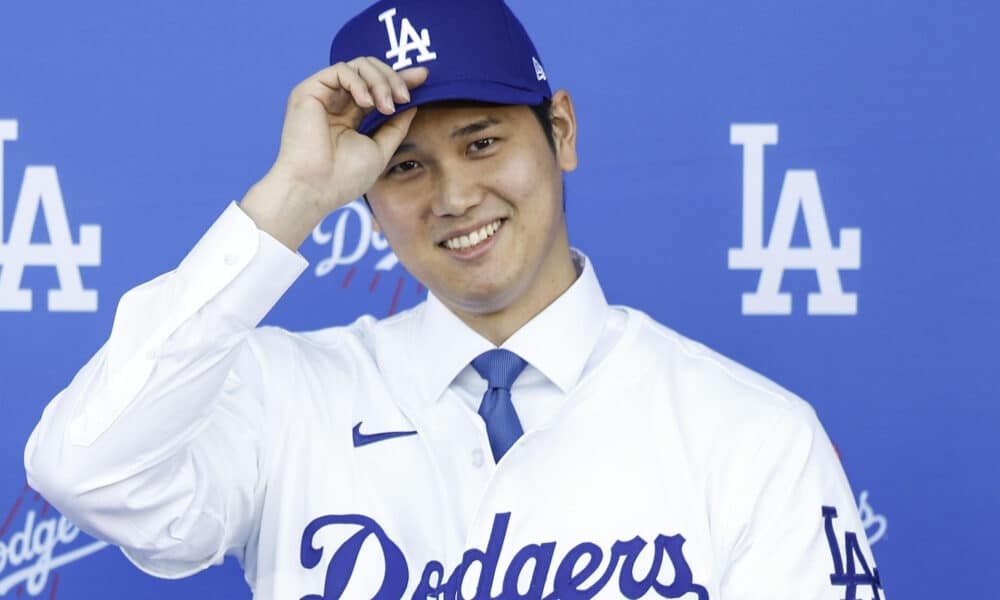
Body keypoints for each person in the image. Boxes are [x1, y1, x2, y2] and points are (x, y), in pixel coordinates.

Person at [24, 0, 884, 598]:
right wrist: (291, 194)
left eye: (482, 141)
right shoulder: (283, 395)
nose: (454, 196)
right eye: (404, 166)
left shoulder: (750, 432)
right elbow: (84, 466)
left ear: (563, 132)